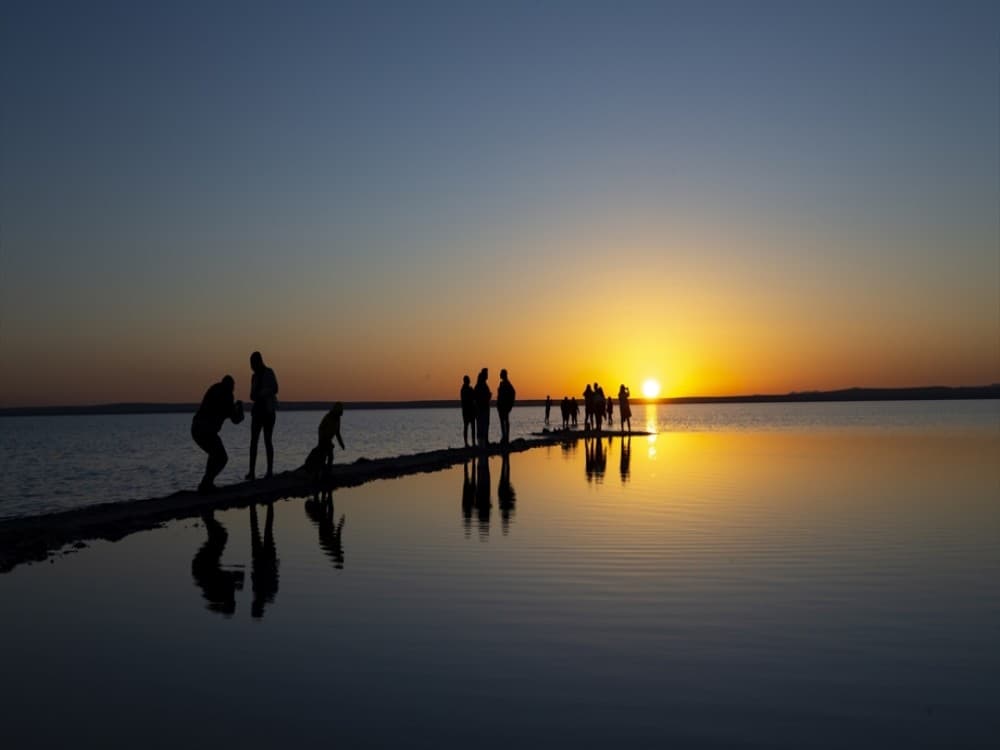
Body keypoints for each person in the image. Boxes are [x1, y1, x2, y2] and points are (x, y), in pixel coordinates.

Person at [191, 375, 242, 494]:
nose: (233, 390)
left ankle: (206, 483)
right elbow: (236, 419)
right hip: (204, 430)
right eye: (232, 387)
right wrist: (239, 408)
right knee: (221, 457)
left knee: (215, 455)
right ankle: (206, 483)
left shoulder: (215, 389)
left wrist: (234, 408)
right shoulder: (225, 396)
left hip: (199, 428)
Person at [246, 351, 279, 480]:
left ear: (258, 362)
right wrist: (255, 395)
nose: (251, 366)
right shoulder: (253, 377)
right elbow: (251, 395)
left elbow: (275, 388)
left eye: (252, 363)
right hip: (257, 412)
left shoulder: (269, 372)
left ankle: (269, 471)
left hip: (268, 411)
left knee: (267, 440)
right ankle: (251, 472)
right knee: (253, 441)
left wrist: (263, 393)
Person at [317, 402, 346, 471]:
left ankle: (328, 471)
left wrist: (341, 444)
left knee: (330, 457)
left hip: (328, 440)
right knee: (324, 457)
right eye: (340, 410)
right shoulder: (328, 417)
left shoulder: (338, 419)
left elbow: (337, 433)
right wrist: (323, 439)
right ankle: (323, 471)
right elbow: (321, 428)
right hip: (323, 439)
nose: (341, 412)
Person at [496, 368, 516, 445]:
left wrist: (510, 405)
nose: (500, 375)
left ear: (504, 375)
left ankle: (506, 437)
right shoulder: (502, 383)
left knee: (505, 421)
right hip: (501, 406)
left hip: (504, 406)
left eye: (501, 373)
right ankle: (504, 437)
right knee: (502, 422)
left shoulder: (507, 383)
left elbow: (513, 392)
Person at [474, 368, 491, 448]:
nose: (487, 375)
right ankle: (482, 442)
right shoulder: (481, 385)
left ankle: (484, 441)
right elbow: (478, 397)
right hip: (482, 408)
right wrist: (488, 396)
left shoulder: (481, 385)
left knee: (483, 424)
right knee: (482, 425)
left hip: (483, 407)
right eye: (486, 374)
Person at [460, 375, 476, 447]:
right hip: (467, 411)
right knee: (467, 427)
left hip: (470, 410)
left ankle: (472, 442)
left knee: (471, 427)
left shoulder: (467, 389)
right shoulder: (464, 389)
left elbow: (473, 397)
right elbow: (469, 398)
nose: (469, 381)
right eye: (468, 380)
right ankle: (467, 443)